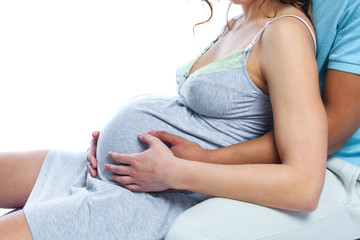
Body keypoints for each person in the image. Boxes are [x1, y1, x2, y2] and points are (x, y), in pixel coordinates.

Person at [0, 0, 327, 239]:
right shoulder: (239, 22)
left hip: (149, 198)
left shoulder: (286, 33)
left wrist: (174, 173)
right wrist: (114, 139)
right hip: (113, 171)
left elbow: (304, 186)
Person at [87, 0, 360, 239]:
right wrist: (123, 136)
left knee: (191, 233)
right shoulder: (247, 20)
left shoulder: (295, 25)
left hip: (340, 171)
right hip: (280, 157)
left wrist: (198, 162)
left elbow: (331, 131)